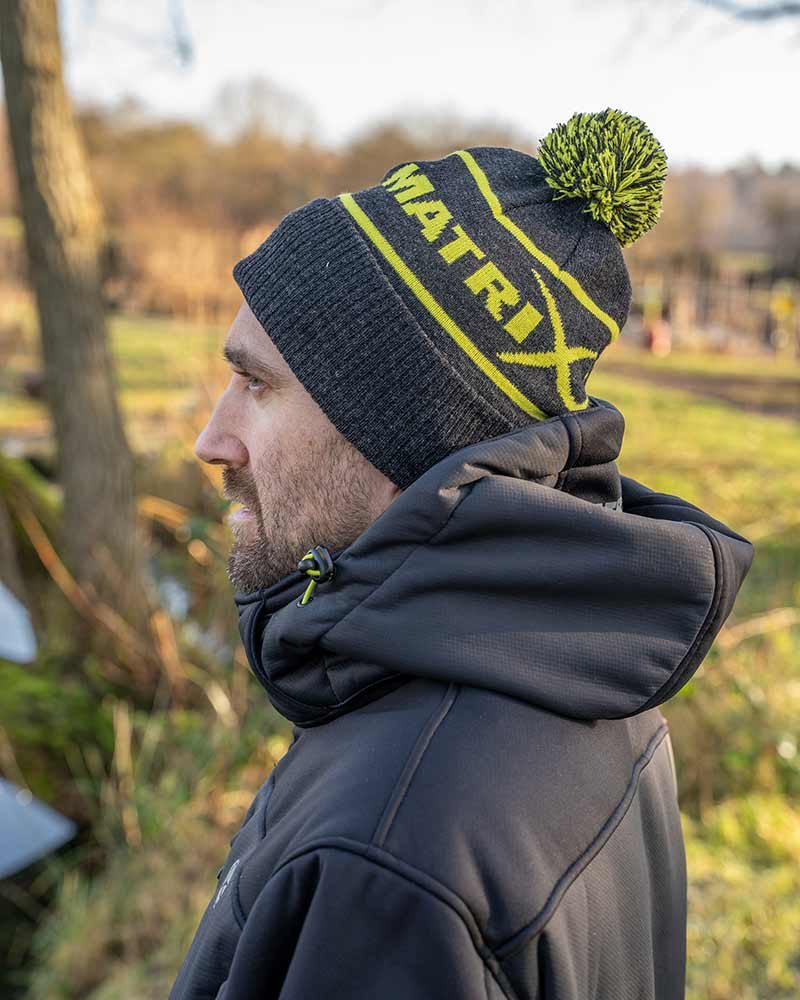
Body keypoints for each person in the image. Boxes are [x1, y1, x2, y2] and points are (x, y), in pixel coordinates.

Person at [169, 109, 753, 1000]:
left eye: (256, 384)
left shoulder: (385, 860)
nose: (211, 440)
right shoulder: (590, 664)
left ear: (399, 441)